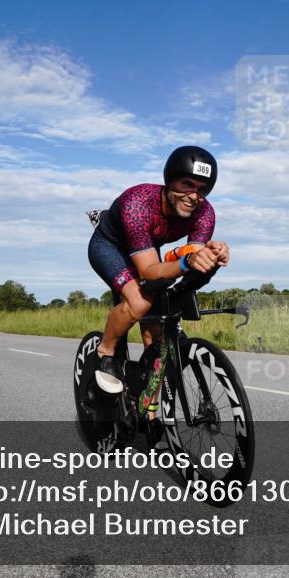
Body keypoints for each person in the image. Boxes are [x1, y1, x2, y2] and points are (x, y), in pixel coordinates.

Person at [87, 146, 230, 395]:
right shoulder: (138, 203)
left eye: (202, 189)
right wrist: (187, 262)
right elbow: (150, 271)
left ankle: (148, 408)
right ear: (169, 179)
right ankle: (105, 352)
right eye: (186, 184)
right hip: (109, 247)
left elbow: (189, 255)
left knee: (156, 335)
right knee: (140, 303)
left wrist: (210, 256)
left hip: (146, 249)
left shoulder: (205, 212)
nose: (193, 196)